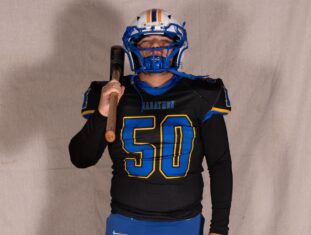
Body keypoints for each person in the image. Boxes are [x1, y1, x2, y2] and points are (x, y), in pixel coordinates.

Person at [69, 9, 233, 235]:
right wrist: (102, 113)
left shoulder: (201, 94)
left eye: (163, 41)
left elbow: (220, 165)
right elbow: (81, 158)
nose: (155, 48)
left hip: (184, 222)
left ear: (176, 47)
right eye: (147, 42)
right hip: (126, 221)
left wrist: (219, 228)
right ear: (135, 48)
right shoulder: (113, 95)